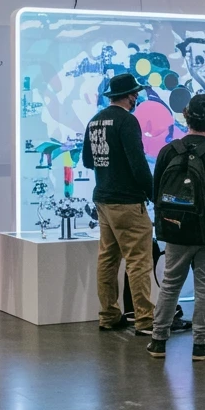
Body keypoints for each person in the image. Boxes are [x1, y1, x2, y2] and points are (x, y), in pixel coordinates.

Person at [146, 94, 205, 362]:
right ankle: (201, 344)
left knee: (170, 285)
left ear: (186, 116)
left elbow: (157, 193)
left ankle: (158, 340)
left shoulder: (168, 151)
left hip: (176, 231)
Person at [83, 71, 156, 335]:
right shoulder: (127, 121)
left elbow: (88, 161)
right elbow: (138, 164)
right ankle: (146, 319)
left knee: (108, 258)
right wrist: (152, 192)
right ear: (129, 96)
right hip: (127, 201)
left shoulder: (95, 121)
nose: (136, 97)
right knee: (138, 260)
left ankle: (108, 315)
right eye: (135, 93)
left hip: (103, 198)